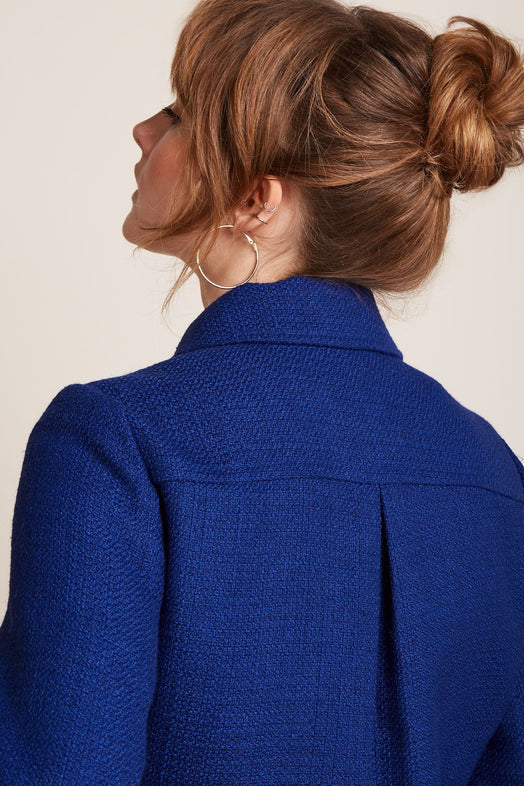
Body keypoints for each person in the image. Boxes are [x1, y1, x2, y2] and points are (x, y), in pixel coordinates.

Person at [1, 0, 523, 782]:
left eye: (179, 115)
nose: (143, 131)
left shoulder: (112, 441)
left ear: (255, 199)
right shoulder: (493, 472)